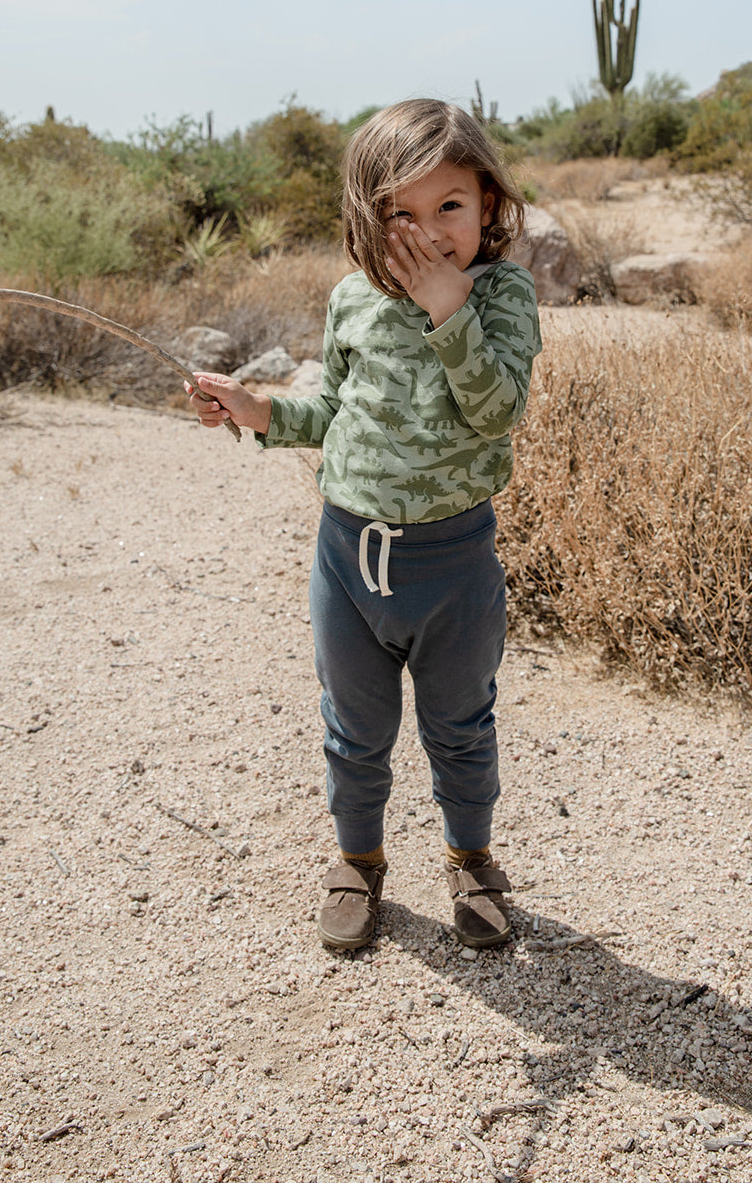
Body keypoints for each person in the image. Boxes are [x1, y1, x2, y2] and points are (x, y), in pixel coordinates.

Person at [187, 99, 541, 951]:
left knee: (460, 724)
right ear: (366, 217)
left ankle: (471, 858)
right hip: (347, 556)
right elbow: (333, 413)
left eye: (448, 206)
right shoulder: (353, 299)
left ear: (487, 204)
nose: (428, 233)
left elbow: (496, 413)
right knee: (353, 726)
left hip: (451, 562)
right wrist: (257, 408)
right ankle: (359, 859)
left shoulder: (500, 294)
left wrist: (449, 311)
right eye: (400, 213)